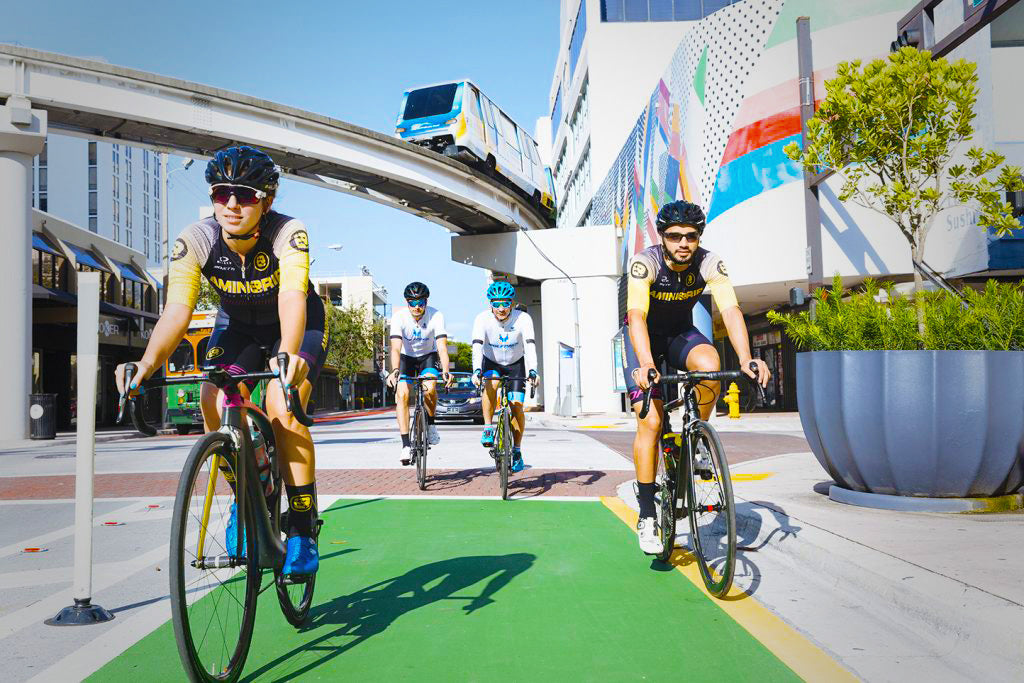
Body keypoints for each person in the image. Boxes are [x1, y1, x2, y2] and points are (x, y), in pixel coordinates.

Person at [115, 145, 326, 576]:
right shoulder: (196, 239)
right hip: (238, 325)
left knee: (281, 406)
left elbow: (290, 297)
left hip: (296, 323)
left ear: (267, 199)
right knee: (213, 397)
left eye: (246, 195)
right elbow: (177, 311)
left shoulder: (289, 232)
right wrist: (147, 363)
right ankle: (250, 498)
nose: (231, 204)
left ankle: (303, 524)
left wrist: (287, 354)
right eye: (221, 193)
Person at [624, 200, 770, 555]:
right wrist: (645, 364)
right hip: (643, 338)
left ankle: (697, 439)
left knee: (710, 363)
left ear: (699, 236)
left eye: (691, 236)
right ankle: (646, 514)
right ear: (663, 237)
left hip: (679, 335)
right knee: (652, 421)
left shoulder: (709, 262)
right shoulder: (646, 263)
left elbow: (731, 310)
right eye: (674, 236)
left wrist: (748, 358)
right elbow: (637, 316)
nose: (683, 243)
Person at [471, 281, 539, 473]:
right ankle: (487, 427)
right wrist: (476, 370)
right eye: (497, 303)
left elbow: (530, 345)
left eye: (505, 303)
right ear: (490, 304)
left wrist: (533, 370)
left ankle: (517, 450)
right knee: (490, 383)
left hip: (516, 364)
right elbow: (477, 346)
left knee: (516, 406)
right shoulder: (482, 319)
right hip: (491, 362)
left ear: (512, 303)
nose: (501, 308)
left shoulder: (523, 318)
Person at [386, 282, 451, 465]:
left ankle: (430, 424)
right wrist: (395, 370)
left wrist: (446, 370)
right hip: (406, 358)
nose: (417, 307)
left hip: (427, 357)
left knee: (430, 388)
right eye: (412, 302)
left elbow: (442, 348)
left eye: (421, 302)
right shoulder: (399, 318)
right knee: (402, 395)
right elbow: (396, 349)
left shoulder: (436, 315)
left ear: (426, 301)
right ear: (407, 303)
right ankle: (406, 445)